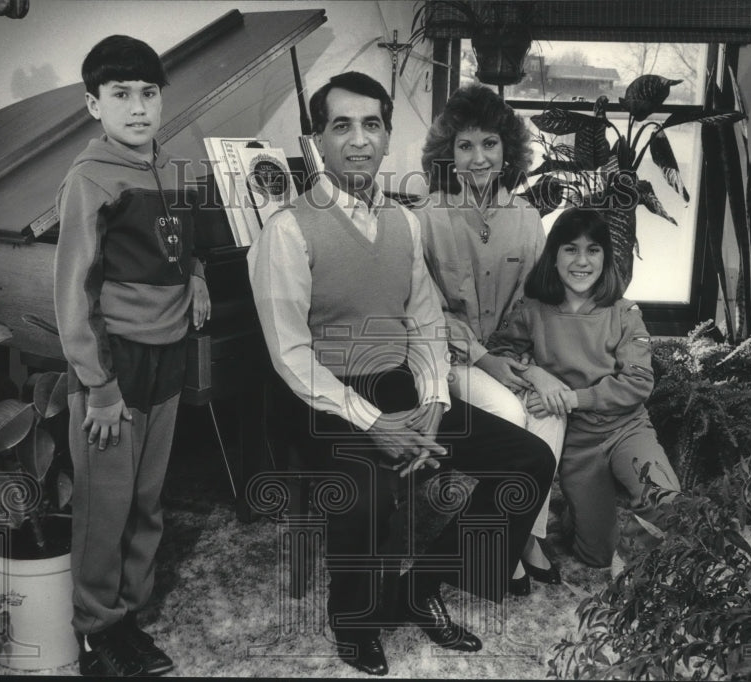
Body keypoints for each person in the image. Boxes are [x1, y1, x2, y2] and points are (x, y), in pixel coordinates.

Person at [248, 71, 555, 677]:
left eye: (371, 125)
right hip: (320, 400)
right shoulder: (287, 229)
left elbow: (424, 324)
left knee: (528, 459)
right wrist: (374, 424)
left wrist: (435, 400)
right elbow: (290, 355)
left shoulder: (404, 224)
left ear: (388, 136)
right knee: (362, 492)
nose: (358, 140)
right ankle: (354, 621)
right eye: (342, 126)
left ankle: (423, 585)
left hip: (398, 386)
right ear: (317, 140)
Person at [54, 34, 210, 677]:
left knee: (148, 499)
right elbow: (73, 291)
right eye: (120, 94)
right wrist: (99, 386)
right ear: (95, 105)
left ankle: (130, 616)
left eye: (148, 92)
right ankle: (96, 633)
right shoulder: (88, 178)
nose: (138, 106)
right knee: (105, 506)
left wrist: (197, 274)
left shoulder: (176, 170)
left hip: (169, 358)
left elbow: (179, 245)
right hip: (113, 368)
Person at [415, 84, 561, 595]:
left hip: (512, 354)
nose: (479, 158)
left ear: (508, 152)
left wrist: (532, 365)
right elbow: (426, 310)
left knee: (551, 408)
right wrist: (482, 358)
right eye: (465, 145)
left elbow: (539, 306)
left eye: (490, 144)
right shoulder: (426, 217)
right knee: (513, 415)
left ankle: (524, 536)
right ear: (448, 154)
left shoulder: (527, 219)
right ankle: (496, 548)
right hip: (452, 362)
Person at [488, 207, 680, 573]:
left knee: (668, 504)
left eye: (593, 250)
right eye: (570, 249)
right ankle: (580, 514)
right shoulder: (533, 310)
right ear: (554, 256)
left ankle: (630, 499)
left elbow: (638, 382)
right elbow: (500, 352)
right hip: (578, 444)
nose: (581, 260)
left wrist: (572, 398)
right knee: (596, 557)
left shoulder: (624, 313)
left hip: (626, 429)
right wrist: (533, 374)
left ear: (605, 257)